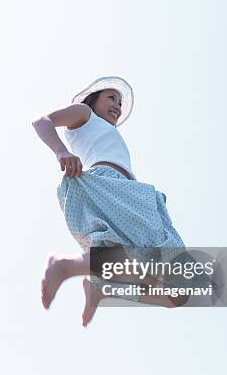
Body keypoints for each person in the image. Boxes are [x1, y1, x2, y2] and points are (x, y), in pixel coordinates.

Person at [31, 76, 201, 326]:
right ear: (92, 99)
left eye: (120, 103)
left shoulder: (108, 131)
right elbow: (41, 122)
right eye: (111, 98)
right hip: (105, 186)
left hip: (130, 193)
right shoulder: (84, 114)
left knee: (178, 294)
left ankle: (100, 287)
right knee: (121, 256)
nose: (118, 107)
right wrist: (62, 151)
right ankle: (66, 266)